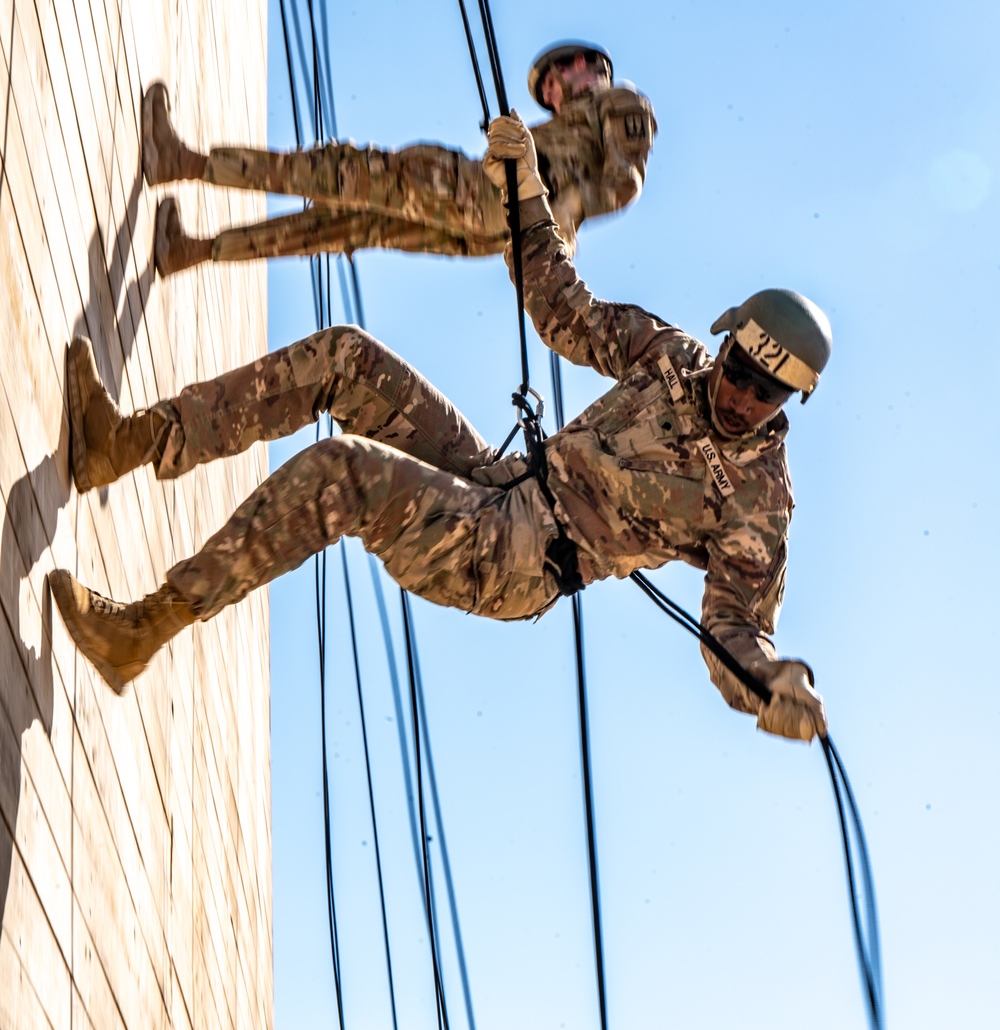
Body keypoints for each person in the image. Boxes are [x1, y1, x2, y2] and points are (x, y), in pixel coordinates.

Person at [52, 114, 829, 743]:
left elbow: (734, 624)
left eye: (765, 393)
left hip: (521, 559)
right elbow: (567, 310)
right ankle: (124, 443)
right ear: (724, 344)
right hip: (502, 482)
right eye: (739, 370)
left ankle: (143, 628)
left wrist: (769, 685)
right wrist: (526, 193)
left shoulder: (758, 500)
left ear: (788, 401)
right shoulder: (671, 358)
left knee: (341, 474)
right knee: (347, 360)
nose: (741, 396)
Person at [145, 42, 657, 273]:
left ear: (587, 64)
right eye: (548, 91)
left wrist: (565, 210)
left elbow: (625, 181)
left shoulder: (621, 101)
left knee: (349, 171)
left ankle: (184, 163)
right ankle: (191, 251)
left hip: (490, 199)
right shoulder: (579, 122)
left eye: (555, 81)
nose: (553, 94)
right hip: (497, 231)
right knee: (346, 227)